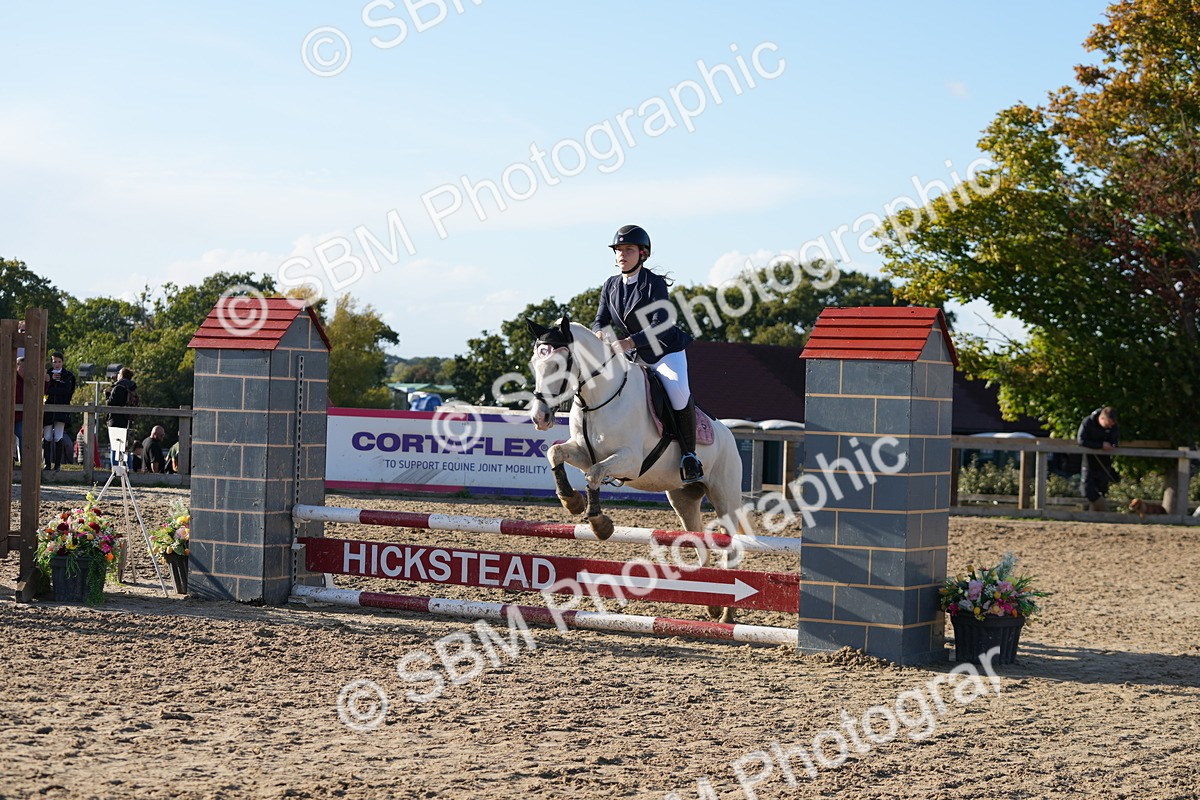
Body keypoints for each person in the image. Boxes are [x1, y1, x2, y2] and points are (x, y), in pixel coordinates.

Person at [591, 224, 703, 483]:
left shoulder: (654, 284)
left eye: (628, 249)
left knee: (677, 392)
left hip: (665, 352)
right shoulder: (611, 286)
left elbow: (660, 325)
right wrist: (601, 334)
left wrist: (629, 342)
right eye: (618, 250)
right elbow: (600, 320)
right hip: (633, 355)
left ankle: (689, 456)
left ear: (642, 253)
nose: (622, 254)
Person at [1077, 406, 1119, 511]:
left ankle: (1097, 515)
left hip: (1105, 462)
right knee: (1086, 489)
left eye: (1111, 425)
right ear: (1102, 418)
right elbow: (1081, 441)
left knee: (1102, 489)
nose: (1109, 427)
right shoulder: (1088, 422)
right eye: (1107, 424)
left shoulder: (1113, 426)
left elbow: (1115, 440)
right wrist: (1100, 445)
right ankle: (1103, 508)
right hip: (1089, 461)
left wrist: (1112, 445)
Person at [42, 352, 76, 472]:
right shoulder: (46, 374)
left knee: (58, 436)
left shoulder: (68, 376)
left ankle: (57, 465)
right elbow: (43, 390)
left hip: (62, 409)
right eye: (54, 361)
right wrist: (51, 381)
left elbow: (67, 391)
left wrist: (55, 385)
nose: (56, 364)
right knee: (47, 436)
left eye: (59, 361)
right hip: (48, 410)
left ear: (62, 362)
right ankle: (47, 464)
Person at [12, 357, 23, 465]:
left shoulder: (29, 380)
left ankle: (25, 462)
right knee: (7, 437)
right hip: (9, 414)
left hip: (21, 415)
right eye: (21, 366)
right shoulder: (11, 378)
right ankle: (9, 460)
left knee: (23, 436)